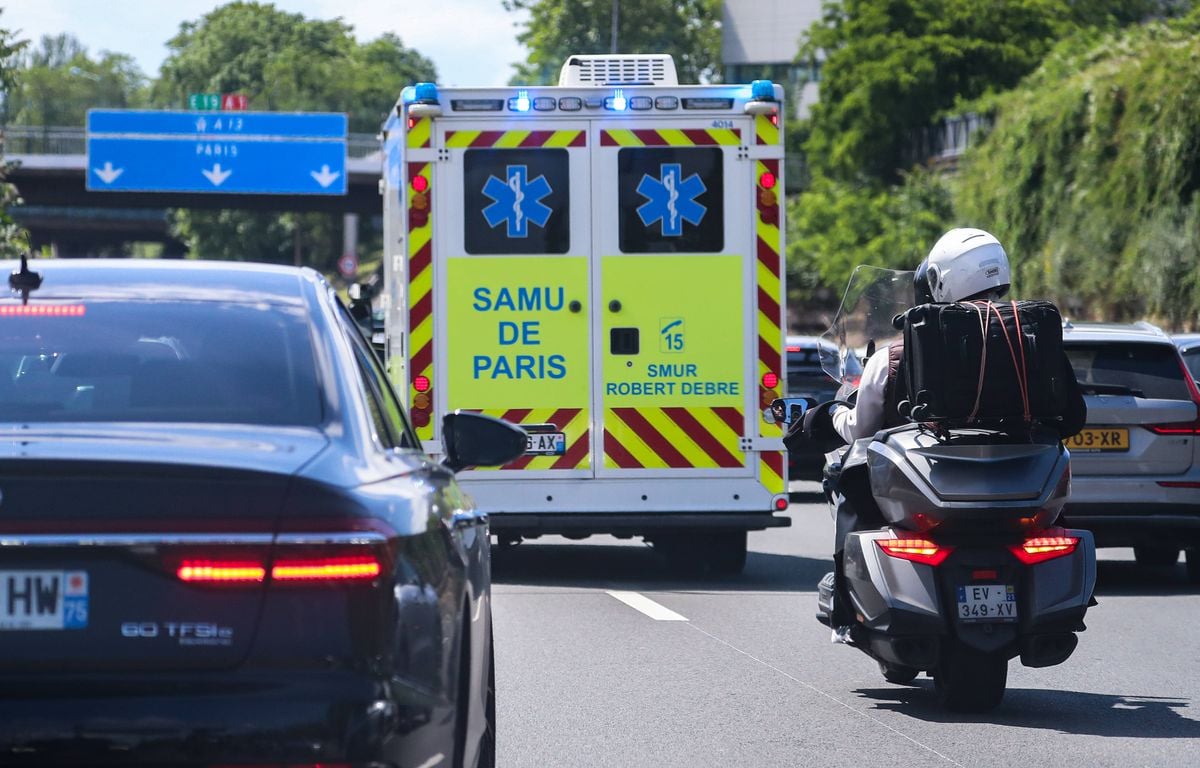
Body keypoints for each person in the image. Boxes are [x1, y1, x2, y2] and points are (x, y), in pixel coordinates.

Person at [803, 227, 1086, 643]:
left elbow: (863, 431)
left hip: (935, 488)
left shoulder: (894, 355)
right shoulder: (1032, 339)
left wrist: (832, 418)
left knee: (849, 482)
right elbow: (1072, 416)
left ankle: (846, 606)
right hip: (1018, 490)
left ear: (940, 279)